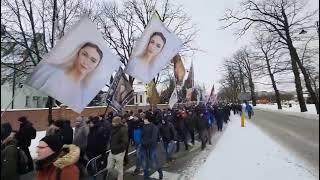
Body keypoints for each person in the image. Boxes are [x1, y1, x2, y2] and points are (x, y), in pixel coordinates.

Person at [26, 42, 103, 112]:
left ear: (96, 66)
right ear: (78, 53)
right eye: (84, 54)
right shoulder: (53, 74)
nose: (86, 62)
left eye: (93, 60)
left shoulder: (84, 92)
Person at [140, 113, 163, 180]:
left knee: (154, 162)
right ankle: (146, 177)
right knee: (145, 163)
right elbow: (142, 136)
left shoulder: (154, 127)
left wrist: (144, 143)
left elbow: (153, 139)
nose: (143, 120)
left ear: (147, 119)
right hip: (144, 147)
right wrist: (142, 142)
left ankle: (160, 171)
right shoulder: (143, 126)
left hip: (152, 147)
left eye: (144, 119)